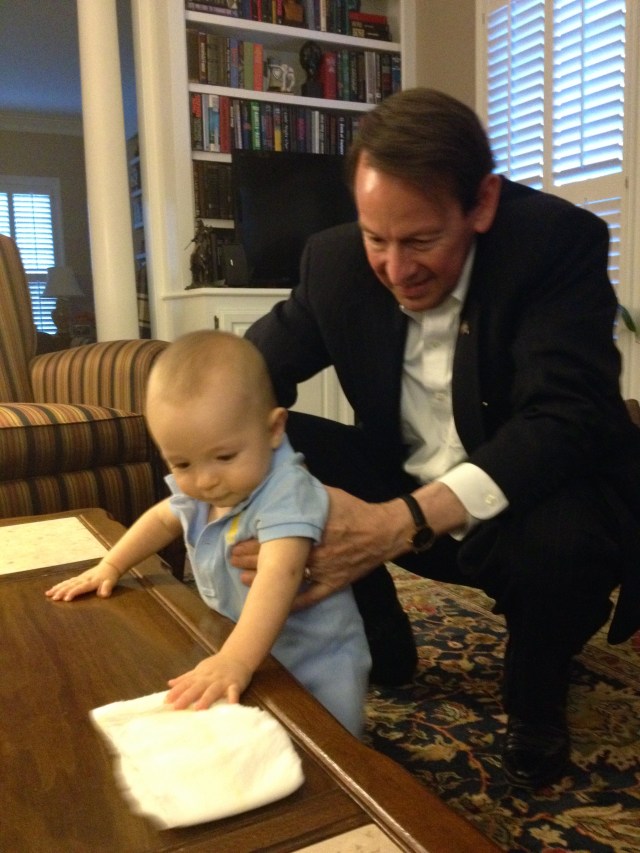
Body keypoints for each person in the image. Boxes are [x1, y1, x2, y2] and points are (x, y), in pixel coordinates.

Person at [238, 88, 640, 789]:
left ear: (481, 203)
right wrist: (204, 458)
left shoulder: (554, 242)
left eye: (421, 240)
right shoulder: (332, 262)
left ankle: (537, 701)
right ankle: (381, 641)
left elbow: (567, 418)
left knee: (563, 543)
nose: (395, 268)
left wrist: (402, 522)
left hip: (527, 502)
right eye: (376, 238)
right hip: (403, 477)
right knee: (263, 446)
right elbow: (244, 378)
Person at [46, 330, 371, 738]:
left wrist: (236, 658)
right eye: (181, 463)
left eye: (225, 457)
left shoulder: (287, 489)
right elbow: (163, 518)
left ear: (274, 429)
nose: (204, 481)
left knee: (331, 741)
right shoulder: (209, 481)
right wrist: (110, 565)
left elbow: (280, 573)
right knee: (261, 728)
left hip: (317, 658)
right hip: (250, 641)